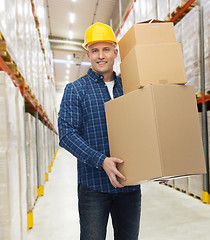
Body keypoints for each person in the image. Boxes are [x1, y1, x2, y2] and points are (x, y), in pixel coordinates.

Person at [58, 22, 141, 240]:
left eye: (105, 49)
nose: (100, 55)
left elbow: (144, 129)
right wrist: (101, 160)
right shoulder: (75, 90)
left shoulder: (130, 87)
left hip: (129, 186)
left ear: (115, 52)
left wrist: (157, 168)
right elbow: (66, 134)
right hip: (94, 188)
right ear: (88, 54)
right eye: (95, 50)